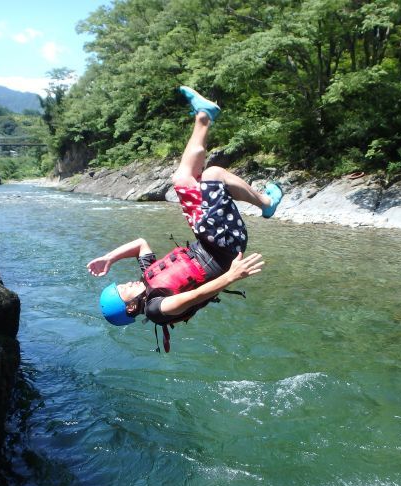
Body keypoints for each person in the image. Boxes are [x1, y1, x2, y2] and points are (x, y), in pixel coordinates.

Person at [87, 86, 283, 351]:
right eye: (123, 290)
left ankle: (204, 115)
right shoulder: (157, 308)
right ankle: (267, 202)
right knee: (213, 174)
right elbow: (196, 295)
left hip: (207, 238)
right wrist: (233, 276)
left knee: (181, 179)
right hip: (225, 247)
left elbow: (141, 244)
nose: (126, 283)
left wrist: (110, 257)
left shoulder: (148, 280)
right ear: (131, 307)